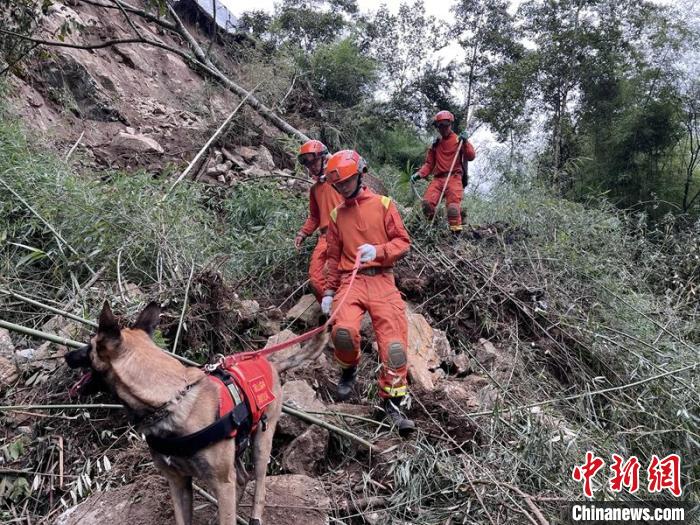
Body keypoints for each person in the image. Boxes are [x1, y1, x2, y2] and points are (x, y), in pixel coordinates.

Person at [322, 150, 415, 436]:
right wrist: (328, 291)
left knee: (395, 349)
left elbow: (403, 242)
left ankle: (394, 403)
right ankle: (348, 370)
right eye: (338, 184)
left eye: (346, 182)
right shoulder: (337, 215)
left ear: (360, 175)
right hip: (351, 282)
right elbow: (333, 258)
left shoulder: (384, 205)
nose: (342, 188)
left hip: (382, 281)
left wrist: (379, 251)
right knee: (343, 333)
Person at [411, 110, 476, 233]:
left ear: (450, 124)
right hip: (438, 179)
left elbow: (471, 156)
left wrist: (466, 142)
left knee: (453, 209)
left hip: (454, 177)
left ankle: (456, 235)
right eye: (440, 126)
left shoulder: (459, 140)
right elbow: (429, 164)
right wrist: (419, 174)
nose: (443, 128)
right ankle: (433, 227)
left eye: (445, 125)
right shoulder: (435, 145)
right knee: (427, 204)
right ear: (437, 127)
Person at [294, 140, 343, 302]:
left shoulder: (341, 180)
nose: (312, 167)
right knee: (316, 278)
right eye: (309, 165)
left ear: (323, 159)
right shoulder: (315, 189)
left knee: (340, 273)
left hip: (345, 232)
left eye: (314, 162)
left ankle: (347, 311)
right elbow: (314, 216)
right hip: (325, 236)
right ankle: (333, 310)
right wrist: (303, 233)